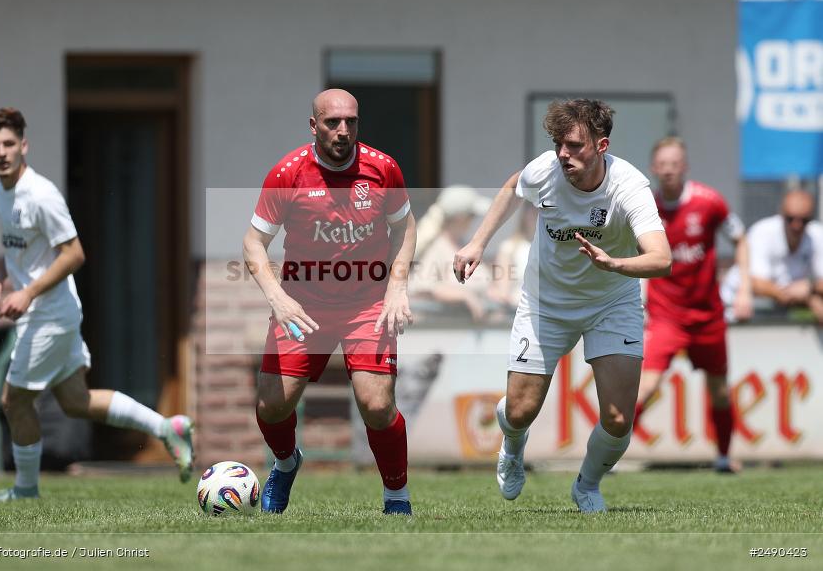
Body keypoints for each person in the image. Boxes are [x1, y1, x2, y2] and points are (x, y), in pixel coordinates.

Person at [454, 99, 671, 513]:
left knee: (619, 419)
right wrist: (477, 242)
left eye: (574, 146)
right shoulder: (545, 171)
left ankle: (587, 485)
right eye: (558, 144)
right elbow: (512, 187)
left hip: (612, 300)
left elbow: (661, 259)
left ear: (602, 145)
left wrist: (616, 263)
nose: (562, 154)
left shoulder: (630, 187)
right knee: (519, 412)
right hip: (545, 303)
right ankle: (513, 449)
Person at [0, 108, 194, 502]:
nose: (2, 152)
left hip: (50, 316)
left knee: (14, 400)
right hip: (47, 314)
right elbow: (18, 247)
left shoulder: (41, 195)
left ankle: (26, 490)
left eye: (9, 144)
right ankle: (168, 427)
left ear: (23, 146)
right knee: (76, 401)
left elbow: (74, 254)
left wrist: (26, 293)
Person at [242, 89, 416, 515]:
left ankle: (397, 496)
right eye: (332, 122)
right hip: (303, 305)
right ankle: (285, 464)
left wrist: (396, 286)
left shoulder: (383, 168)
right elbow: (253, 243)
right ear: (313, 125)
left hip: (366, 304)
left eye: (351, 122)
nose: (343, 131)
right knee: (272, 405)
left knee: (377, 405)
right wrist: (278, 298)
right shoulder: (289, 173)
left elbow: (405, 226)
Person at [635, 137, 751, 473]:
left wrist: (743, 289)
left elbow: (740, 238)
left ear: (684, 167)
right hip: (665, 315)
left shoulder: (709, 202)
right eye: (663, 164)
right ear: (653, 169)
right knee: (647, 386)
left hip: (707, 315)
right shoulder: (645, 208)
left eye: (675, 164)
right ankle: (608, 455)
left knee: (719, 391)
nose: (669, 170)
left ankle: (724, 457)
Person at [721, 189, 823, 323]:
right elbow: (756, 283)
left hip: (776, 310)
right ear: (781, 214)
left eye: (803, 220)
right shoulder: (763, 232)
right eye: (790, 219)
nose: (796, 226)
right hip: (737, 307)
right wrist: (808, 298)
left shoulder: (817, 235)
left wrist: (810, 287)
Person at [411, 185, 493, 321]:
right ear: (460, 218)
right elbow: (423, 288)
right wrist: (465, 296)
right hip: (444, 334)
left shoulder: (464, 246)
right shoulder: (436, 247)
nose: (474, 222)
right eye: (471, 216)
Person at [488, 202, 538, 308]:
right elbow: (502, 290)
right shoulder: (509, 248)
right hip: (518, 311)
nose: (536, 215)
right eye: (532, 210)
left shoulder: (552, 249)